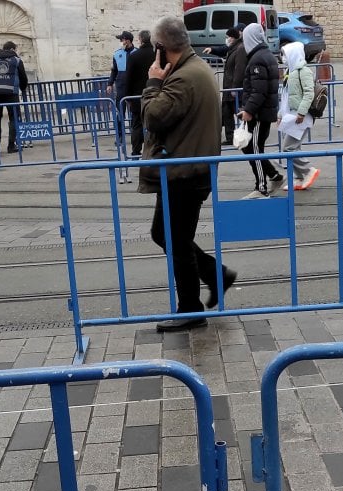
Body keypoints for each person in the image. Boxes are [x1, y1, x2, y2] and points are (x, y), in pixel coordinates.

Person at [139, 16, 237, 331]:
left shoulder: (183, 78)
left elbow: (153, 118)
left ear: (160, 48)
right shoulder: (196, 69)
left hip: (184, 172)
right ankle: (215, 275)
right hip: (188, 168)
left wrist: (153, 82)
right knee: (166, 234)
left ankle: (191, 311)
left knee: (176, 240)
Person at [238, 22, 283, 199]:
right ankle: (273, 175)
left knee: (254, 148)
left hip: (258, 114)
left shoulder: (258, 58)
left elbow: (259, 90)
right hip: (262, 112)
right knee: (249, 146)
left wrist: (249, 110)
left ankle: (262, 187)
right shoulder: (265, 55)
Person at [279, 41, 319, 191]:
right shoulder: (290, 71)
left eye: (285, 55)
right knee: (294, 148)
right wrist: (280, 114)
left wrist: (302, 112)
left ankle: (308, 171)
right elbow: (285, 96)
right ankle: (299, 177)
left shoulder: (304, 71)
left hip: (300, 117)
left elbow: (309, 93)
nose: (283, 58)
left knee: (288, 149)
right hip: (292, 116)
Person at [0, 41, 29, 154]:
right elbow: (23, 77)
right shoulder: (16, 61)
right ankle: (11, 145)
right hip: (12, 93)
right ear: (12, 49)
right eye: (15, 50)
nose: (16, 52)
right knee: (13, 118)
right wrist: (23, 88)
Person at [125, 31, 156, 157]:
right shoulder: (156, 55)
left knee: (137, 124)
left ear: (140, 40)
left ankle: (136, 151)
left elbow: (129, 78)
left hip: (138, 96)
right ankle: (155, 149)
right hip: (155, 93)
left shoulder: (134, 56)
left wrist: (127, 96)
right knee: (154, 122)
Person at [217, 25, 247, 146]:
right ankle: (230, 137)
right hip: (228, 86)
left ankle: (246, 133)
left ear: (233, 37)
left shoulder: (239, 49)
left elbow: (239, 69)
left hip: (233, 88)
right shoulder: (232, 48)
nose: (227, 39)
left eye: (228, 37)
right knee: (227, 112)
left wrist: (235, 87)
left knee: (238, 111)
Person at [109, 31, 135, 98]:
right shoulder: (116, 54)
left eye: (121, 40)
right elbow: (114, 70)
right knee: (120, 105)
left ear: (128, 41)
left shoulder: (137, 52)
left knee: (134, 106)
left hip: (134, 85)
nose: (120, 42)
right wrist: (110, 84)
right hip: (121, 86)